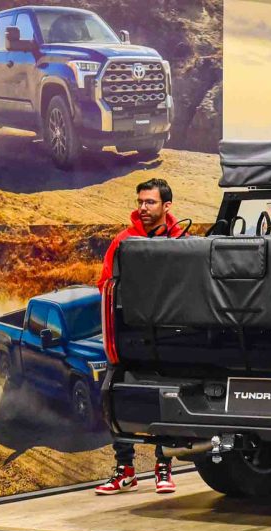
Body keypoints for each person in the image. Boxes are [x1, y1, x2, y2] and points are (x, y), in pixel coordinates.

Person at [95, 178, 183, 495]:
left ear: (166, 206)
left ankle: (163, 468)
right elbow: (105, 284)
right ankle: (125, 471)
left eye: (150, 202)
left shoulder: (182, 241)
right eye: (140, 202)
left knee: (167, 398)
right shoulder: (123, 241)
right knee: (114, 395)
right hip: (129, 335)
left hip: (169, 337)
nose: (143, 207)